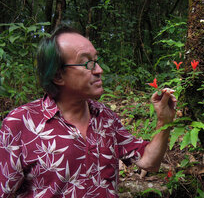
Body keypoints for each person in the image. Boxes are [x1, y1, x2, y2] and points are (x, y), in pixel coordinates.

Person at [0, 25, 177, 198]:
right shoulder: (21, 123)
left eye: (96, 61)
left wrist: (164, 121)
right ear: (58, 76)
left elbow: (149, 162)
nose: (99, 70)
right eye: (88, 63)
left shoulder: (105, 116)